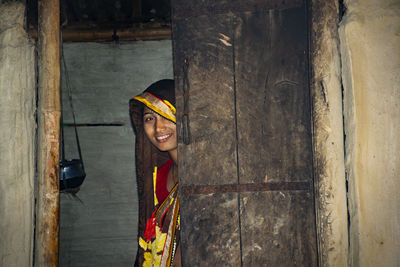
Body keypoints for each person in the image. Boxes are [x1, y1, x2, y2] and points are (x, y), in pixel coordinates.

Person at [129, 79, 181, 267]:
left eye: (166, 115)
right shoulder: (157, 176)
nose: (158, 128)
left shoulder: (208, 178)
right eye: (150, 118)